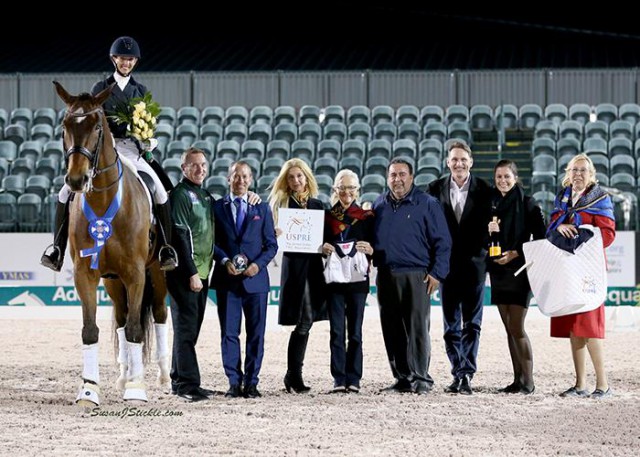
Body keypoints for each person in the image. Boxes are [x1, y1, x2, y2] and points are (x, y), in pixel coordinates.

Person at [41, 36, 178, 272]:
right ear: (114, 59)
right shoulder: (99, 89)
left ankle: (166, 248)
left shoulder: (140, 90)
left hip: (133, 151)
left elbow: (148, 124)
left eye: (131, 59)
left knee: (159, 189)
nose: (126, 63)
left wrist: (149, 139)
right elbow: (91, 124)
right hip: (106, 150)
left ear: (135, 62)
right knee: (64, 193)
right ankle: (57, 249)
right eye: (123, 58)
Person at [372, 157, 451, 395]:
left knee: (417, 328)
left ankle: (421, 378)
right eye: (393, 175)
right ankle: (402, 378)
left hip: (417, 275)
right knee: (392, 329)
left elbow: (443, 242)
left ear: (411, 177)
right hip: (385, 274)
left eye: (402, 174)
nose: (397, 179)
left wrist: (437, 273)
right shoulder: (379, 204)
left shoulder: (427, 203)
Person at [427, 139, 492, 395]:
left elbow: (493, 225)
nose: (459, 163)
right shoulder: (434, 189)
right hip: (446, 267)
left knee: (472, 325)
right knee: (450, 326)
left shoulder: (485, 189)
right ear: (447, 162)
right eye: (454, 159)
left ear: (471, 162)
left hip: (475, 267)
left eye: (463, 159)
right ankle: (458, 371)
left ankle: (466, 374)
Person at [548, 153, 615, 399]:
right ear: (569, 172)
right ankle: (580, 384)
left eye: (583, 170)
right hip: (568, 268)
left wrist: (582, 234)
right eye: (574, 170)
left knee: (589, 327)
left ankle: (603, 385)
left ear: (591, 174)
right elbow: (553, 223)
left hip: (589, 269)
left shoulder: (600, 199)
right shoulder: (563, 196)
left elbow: (608, 234)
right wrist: (560, 226)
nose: (578, 174)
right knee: (574, 328)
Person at [211, 161, 278, 399]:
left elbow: (271, 245)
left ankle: (251, 382)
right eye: (236, 176)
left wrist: (257, 266)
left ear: (251, 180)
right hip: (227, 280)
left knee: (256, 333)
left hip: (255, 282)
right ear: (228, 179)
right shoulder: (216, 207)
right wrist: (224, 260)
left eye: (245, 176)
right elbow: (212, 243)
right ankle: (233, 381)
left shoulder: (262, 208)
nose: (240, 180)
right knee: (229, 333)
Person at [268, 158, 328, 393]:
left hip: (313, 268)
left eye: (299, 176)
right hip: (295, 269)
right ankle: (294, 375)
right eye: (291, 177)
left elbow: (324, 238)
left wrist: (324, 246)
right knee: (304, 319)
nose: (295, 181)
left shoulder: (317, 205)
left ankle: (293, 375)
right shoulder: (280, 206)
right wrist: (274, 233)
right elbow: (271, 238)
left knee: (307, 320)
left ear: (307, 178)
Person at [487, 160, 546, 395]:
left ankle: (529, 382)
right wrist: (488, 233)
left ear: (515, 177)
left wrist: (516, 253)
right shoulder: (490, 203)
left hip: (520, 271)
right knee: (508, 328)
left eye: (507, 177)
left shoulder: (528, 203)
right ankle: (517, 380)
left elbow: (541, 238)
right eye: (499, 177)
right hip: (499, 270)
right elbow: (484, 237)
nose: (502, 181)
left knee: (517, 326)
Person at [166, 147, 214, 402]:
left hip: (203, 272)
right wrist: (192, 273)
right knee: (186, 329)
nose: (200, 169)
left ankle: (178, 378)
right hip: (186, 274)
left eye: (203, 165)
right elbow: (180, 237)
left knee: (190, 329)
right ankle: (187, 384)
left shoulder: (205, 195)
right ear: (183, 168)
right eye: (194, 165)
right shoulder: (181, 195)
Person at [321, 169, 375, 393]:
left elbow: (376, 246)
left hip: (357, 281)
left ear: (358, 190)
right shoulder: (326, 217)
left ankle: (354, 377)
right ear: (335, 190)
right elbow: (319, 244)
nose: (347, 192)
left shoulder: (367, 217)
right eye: (342, 188)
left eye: (351, 188)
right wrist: (322, 248)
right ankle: (338, 377)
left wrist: (371, 249)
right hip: (333, 281)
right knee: (336, 331)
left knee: (355, 331)